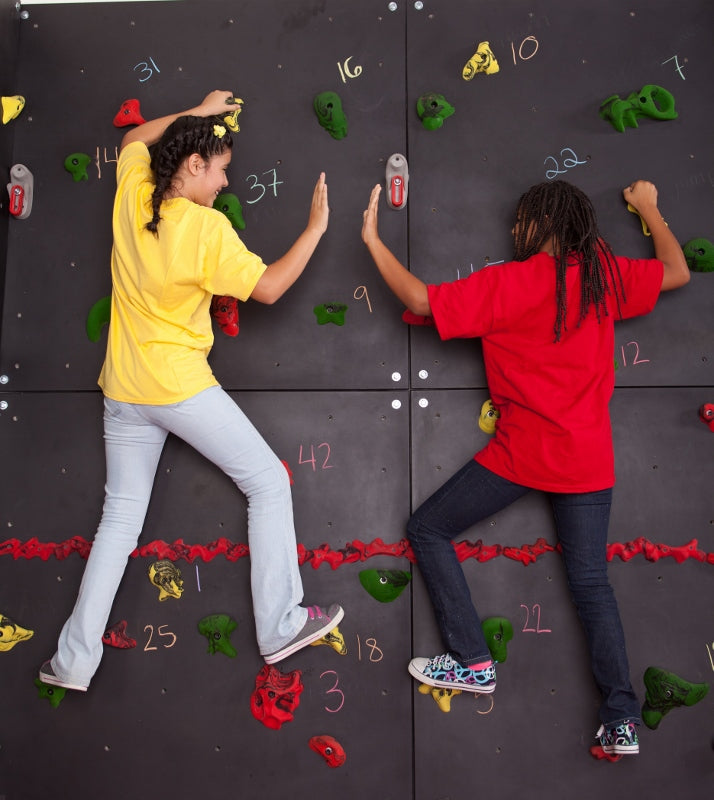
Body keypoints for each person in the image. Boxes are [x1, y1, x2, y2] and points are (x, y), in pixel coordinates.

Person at [361, 178, 689, 756]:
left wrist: (371, 238)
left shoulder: (509, 283)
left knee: (427, 529)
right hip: (588, 459)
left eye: (521, 220)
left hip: (524, 456)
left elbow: (418, 300)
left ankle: (473, 662)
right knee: (592, 586)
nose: (515, 230)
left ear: (542, 223)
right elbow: (677, 271)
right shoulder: (603, 276)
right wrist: (651, 209)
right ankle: (622, 719)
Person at [39, 90, 343, 692]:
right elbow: (271, 288)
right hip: (175, 387)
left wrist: (198, 112)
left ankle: (72, 663)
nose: (226, 179)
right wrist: (315, 228)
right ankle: (280, 625)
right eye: (222, 167)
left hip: (122, 388)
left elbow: (131, 142)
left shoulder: (133, 198)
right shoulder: (206, 228)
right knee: (268, 481)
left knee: (119, 521)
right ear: (194, 165)